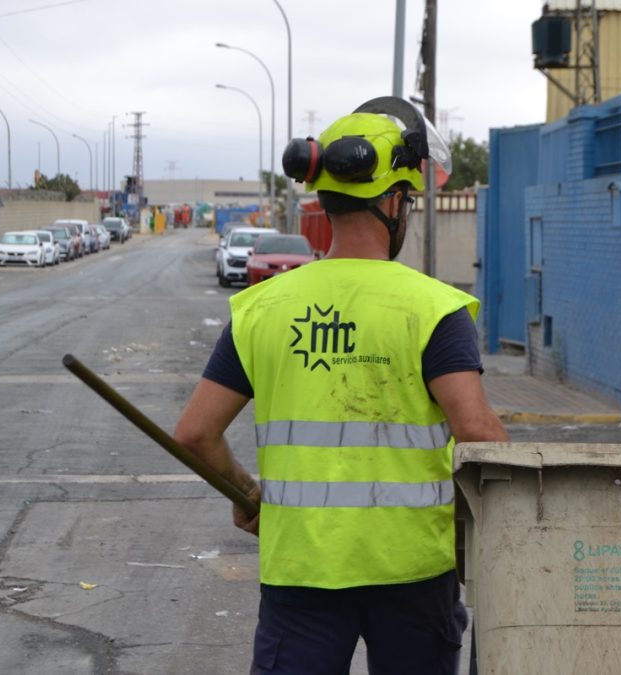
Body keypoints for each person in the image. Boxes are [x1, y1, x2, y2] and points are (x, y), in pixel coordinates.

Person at [174, 95, 508, 675]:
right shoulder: (434, 310)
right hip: (413, 576)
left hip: (301, 571)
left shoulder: (261, 310)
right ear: (394, 201)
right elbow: (478, 435)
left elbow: (196, 434)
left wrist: (246, 494)